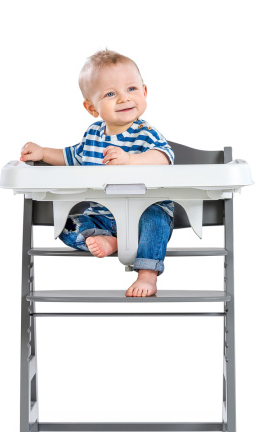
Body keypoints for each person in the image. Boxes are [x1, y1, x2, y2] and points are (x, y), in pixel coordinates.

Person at [20, 49, 174, 297]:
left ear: (144, 92)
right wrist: (42, 152)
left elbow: (164, 158)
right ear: (91, 107)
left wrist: (130, 160)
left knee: (156, 220)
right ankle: (112, 241)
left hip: (144, 213)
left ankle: (147, 274)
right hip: (103, 217)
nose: (124, 98)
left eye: (131, 89)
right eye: (111, 94)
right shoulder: (93, 135)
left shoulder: (146, 133)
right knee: (67, 225)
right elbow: (71, 157)